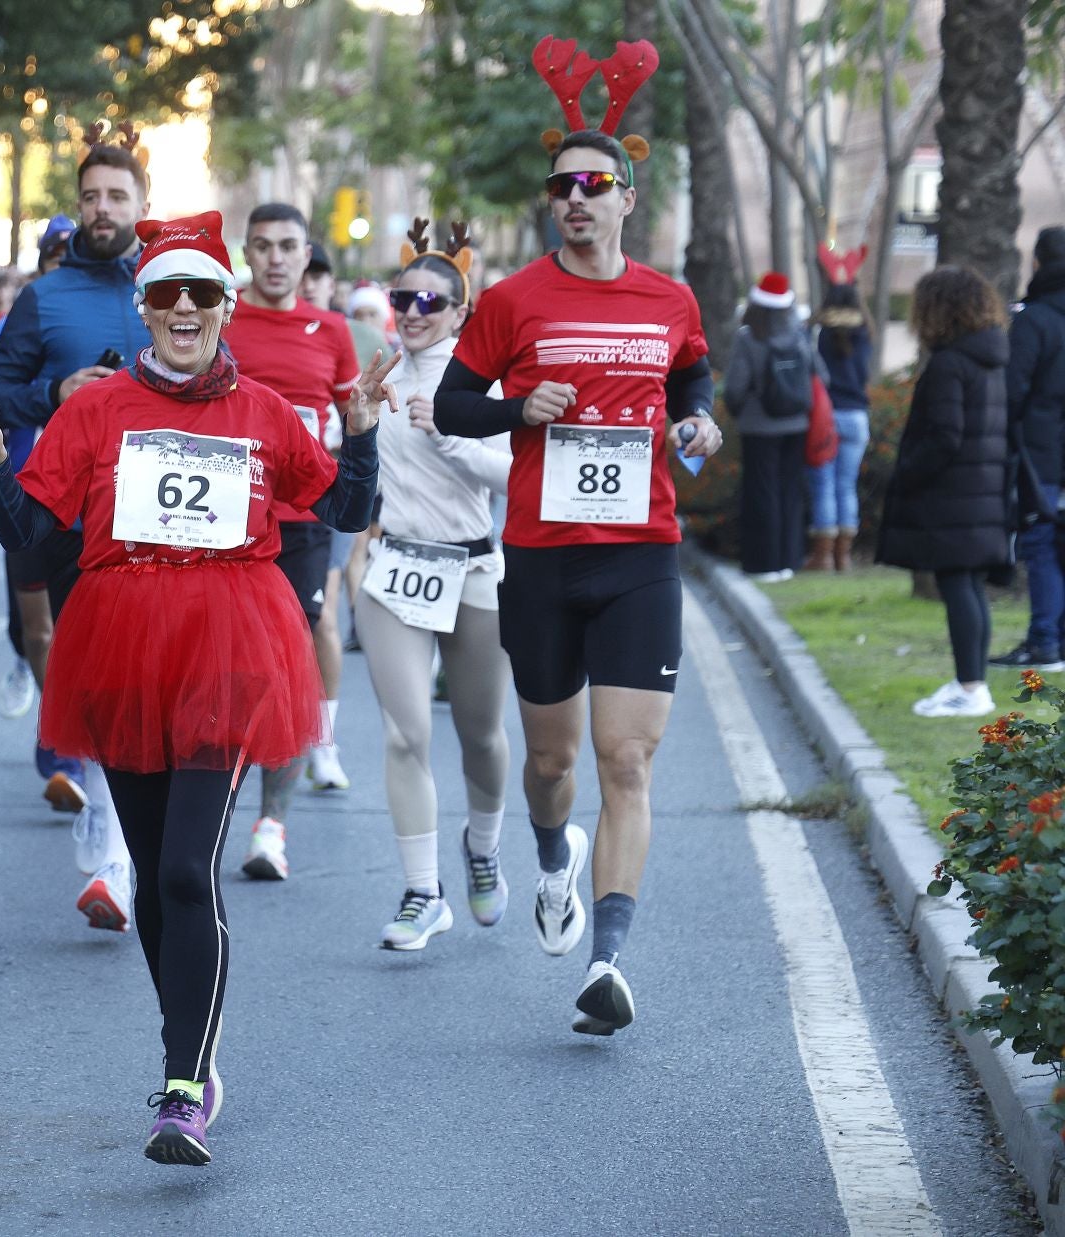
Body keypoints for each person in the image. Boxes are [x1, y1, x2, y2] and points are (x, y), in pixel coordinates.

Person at [0, 210, 385, 1166]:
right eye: (164, 294)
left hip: (229, 645)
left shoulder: (266, 411)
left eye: (201, 294)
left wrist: (359, 440)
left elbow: (346, 507)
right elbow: (31, 533)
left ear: (227, 308)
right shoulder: (96, 409)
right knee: (155, 875)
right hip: (121, 645)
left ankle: (183, 1083)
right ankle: (190, 1039)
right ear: (144, 307)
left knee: (191, 868)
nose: (182, 308)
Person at [435, 36, 720, 1036]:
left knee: (626, 761)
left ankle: (606, 959)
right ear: (552, 203)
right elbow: (450, 405)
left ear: (626, 199)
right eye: (564, 186)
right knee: (553, 765)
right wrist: (521, 409)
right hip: (545, 559)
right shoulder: (513, 301)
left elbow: (690, 371)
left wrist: (697, 415)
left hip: (640, 550)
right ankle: (552, 859)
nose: (579, 197)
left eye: (597, 183)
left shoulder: (668, 297)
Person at [0, 131, 154, 926]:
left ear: (141, 205)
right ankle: (103, 805)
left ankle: (117, 853)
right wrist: (59, 392)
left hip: (159, 518)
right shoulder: (44, 297)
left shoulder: (171, 283)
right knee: (92, 676)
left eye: (117, 197)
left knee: (138, 683)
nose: (102, 210)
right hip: (74, 513)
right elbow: (0, 389)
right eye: (90, 197)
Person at [361, 226, 514, 950]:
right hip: (395, 568)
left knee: (480, 734)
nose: (414, 311)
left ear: (461, 311)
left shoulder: (486, 380)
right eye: (403, 298)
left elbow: (518, 475)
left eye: (432, 301)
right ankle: (423, 890)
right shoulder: (379, 368)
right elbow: (352, 470)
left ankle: (481, 846)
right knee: (405, 733)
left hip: (472, 567)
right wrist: (355, 430)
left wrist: (452, 434)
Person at [223, 203, 360, 882]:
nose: (276, 258)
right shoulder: (220, 320)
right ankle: (206, 808)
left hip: (302, 521)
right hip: (223, 519)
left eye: (288, 247)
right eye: (263, 246)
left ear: (307, 255)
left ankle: (272, 823)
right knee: (225, 668)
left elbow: (346, 418)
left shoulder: (332, 330)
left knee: (290, 661)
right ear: (246, 254)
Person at [876, 265, 1012, 718]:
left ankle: (970, 688)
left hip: (954, 495)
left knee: (957, 585)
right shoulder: (987, 360)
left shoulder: (951, 364)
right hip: (979, 493)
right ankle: (971, 684)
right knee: (967, 585)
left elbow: (944, 436)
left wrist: (907, 475)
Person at [0, 214, 74, 729]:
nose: (64, 264)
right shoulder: (16, 321)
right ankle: (54, 721)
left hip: (94, 496)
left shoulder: (111, 310)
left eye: (72, 255)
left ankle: (77, 741)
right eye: (55, 256)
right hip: (27, 489)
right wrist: (54, 393)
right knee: (35, 629)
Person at [991, 226, 1065, 671]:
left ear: (1038, 262)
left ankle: (1044, 642)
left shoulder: (1035, 319)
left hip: (1041, 452)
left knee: (1038, 544)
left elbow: (1012, 388)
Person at [725, 272, 818, 581]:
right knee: (790, 491)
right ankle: (790, 560)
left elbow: (736, 386)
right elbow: (821, 376)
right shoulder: (799, 333)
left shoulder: (748, 337)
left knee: (761, 493)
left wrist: (736, 411)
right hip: (796, 424)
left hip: (759, 426)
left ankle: (765, 564)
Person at [808, 275, 873, 573]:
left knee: (824, 485)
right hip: (857, 415)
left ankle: (822, 558)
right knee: (847, 485)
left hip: (827, 416)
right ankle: (843, 557)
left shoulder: (821, 333)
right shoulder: (866, 331)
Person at [346, 282, 395, 369]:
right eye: (359, 315)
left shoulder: (397, 347)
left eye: (372, 315)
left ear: (384, 317)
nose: (366, 321)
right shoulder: (347, 349)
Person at [300, 243, 337, 314]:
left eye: (316, 277)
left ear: (332, 285)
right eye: (300, 279)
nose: (308, 287)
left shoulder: (345, 325)